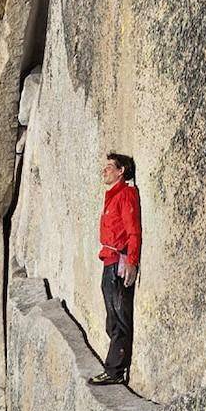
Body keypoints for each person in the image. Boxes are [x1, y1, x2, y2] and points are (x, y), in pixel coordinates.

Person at [91, 151, 142, 387]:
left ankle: (115, 371)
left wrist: (131, 261)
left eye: (110, 167)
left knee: (120, 317)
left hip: (119, 263)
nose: (105, 170)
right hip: (108, 261)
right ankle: (114, 367)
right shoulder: (111, 197)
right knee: (112, 318)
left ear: (121, 171)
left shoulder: (126, 195)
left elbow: (133, 231)